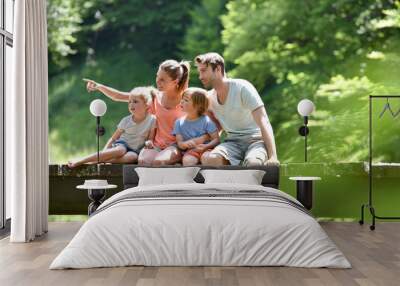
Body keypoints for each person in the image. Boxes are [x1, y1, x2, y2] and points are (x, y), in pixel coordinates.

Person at [84, 60, 208, 166]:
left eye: (163, 80)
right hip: (154, 145)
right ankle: (99, 161)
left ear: (175, 82)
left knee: (159, 162)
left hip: (175, 146)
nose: (158, 82)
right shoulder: (153, 96)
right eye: (157, 77)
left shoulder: (187, 99)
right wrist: (99, 86)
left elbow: (203, 118)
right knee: (143, 160)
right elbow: (118, 96)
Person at [195, 52, 279, 166]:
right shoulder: (209, 98)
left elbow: (264, 121)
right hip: (232, 143)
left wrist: (273, 156)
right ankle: (236, 170)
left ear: (218, 69)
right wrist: (204, 145)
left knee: (253, 163)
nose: (200, 76)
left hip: (255, 141)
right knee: (210, 159)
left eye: (203, 70)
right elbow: (215, 130)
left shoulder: (242, 88)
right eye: (199, 71)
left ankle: (245, 164)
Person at [68, 87, 156, 168]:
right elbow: (113, 138)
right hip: (122, 144)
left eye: (135, 102)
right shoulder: (126, 121)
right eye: (129, 102)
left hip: (135, 150)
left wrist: (149, 143)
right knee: (120, 150)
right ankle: (82, 160)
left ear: (147, 105)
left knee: (133, 157)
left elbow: (150, 139)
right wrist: (104, 151)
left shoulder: (152, 120)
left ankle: (100, 161)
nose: (131, 104)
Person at [172, 88, 219, 166]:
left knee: (208, 159)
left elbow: (216, 139)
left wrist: (206, 146)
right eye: (182, 99)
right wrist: (185, 144)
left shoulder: (206, 121)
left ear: (198, 106)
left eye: (186, 100)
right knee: (188, 161)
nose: (182, 102)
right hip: (192, 151)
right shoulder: (178, 123)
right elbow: (179, 143)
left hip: (208, 150)